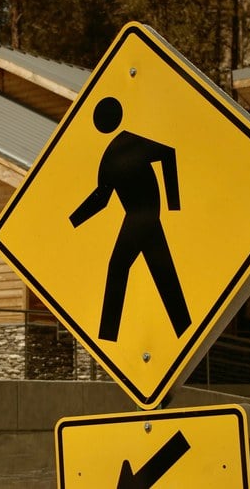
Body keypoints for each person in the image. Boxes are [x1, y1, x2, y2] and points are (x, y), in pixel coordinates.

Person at [70, 96, 191, 342]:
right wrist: (72, 220)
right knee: (162, 272)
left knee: (118, 267)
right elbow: (102, 198)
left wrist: (174, 204)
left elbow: (168, 154)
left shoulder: (129, 143)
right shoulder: (110, 156)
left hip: (142, 216)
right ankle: (184, 328)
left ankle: (108, 335)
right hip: (139, 217)